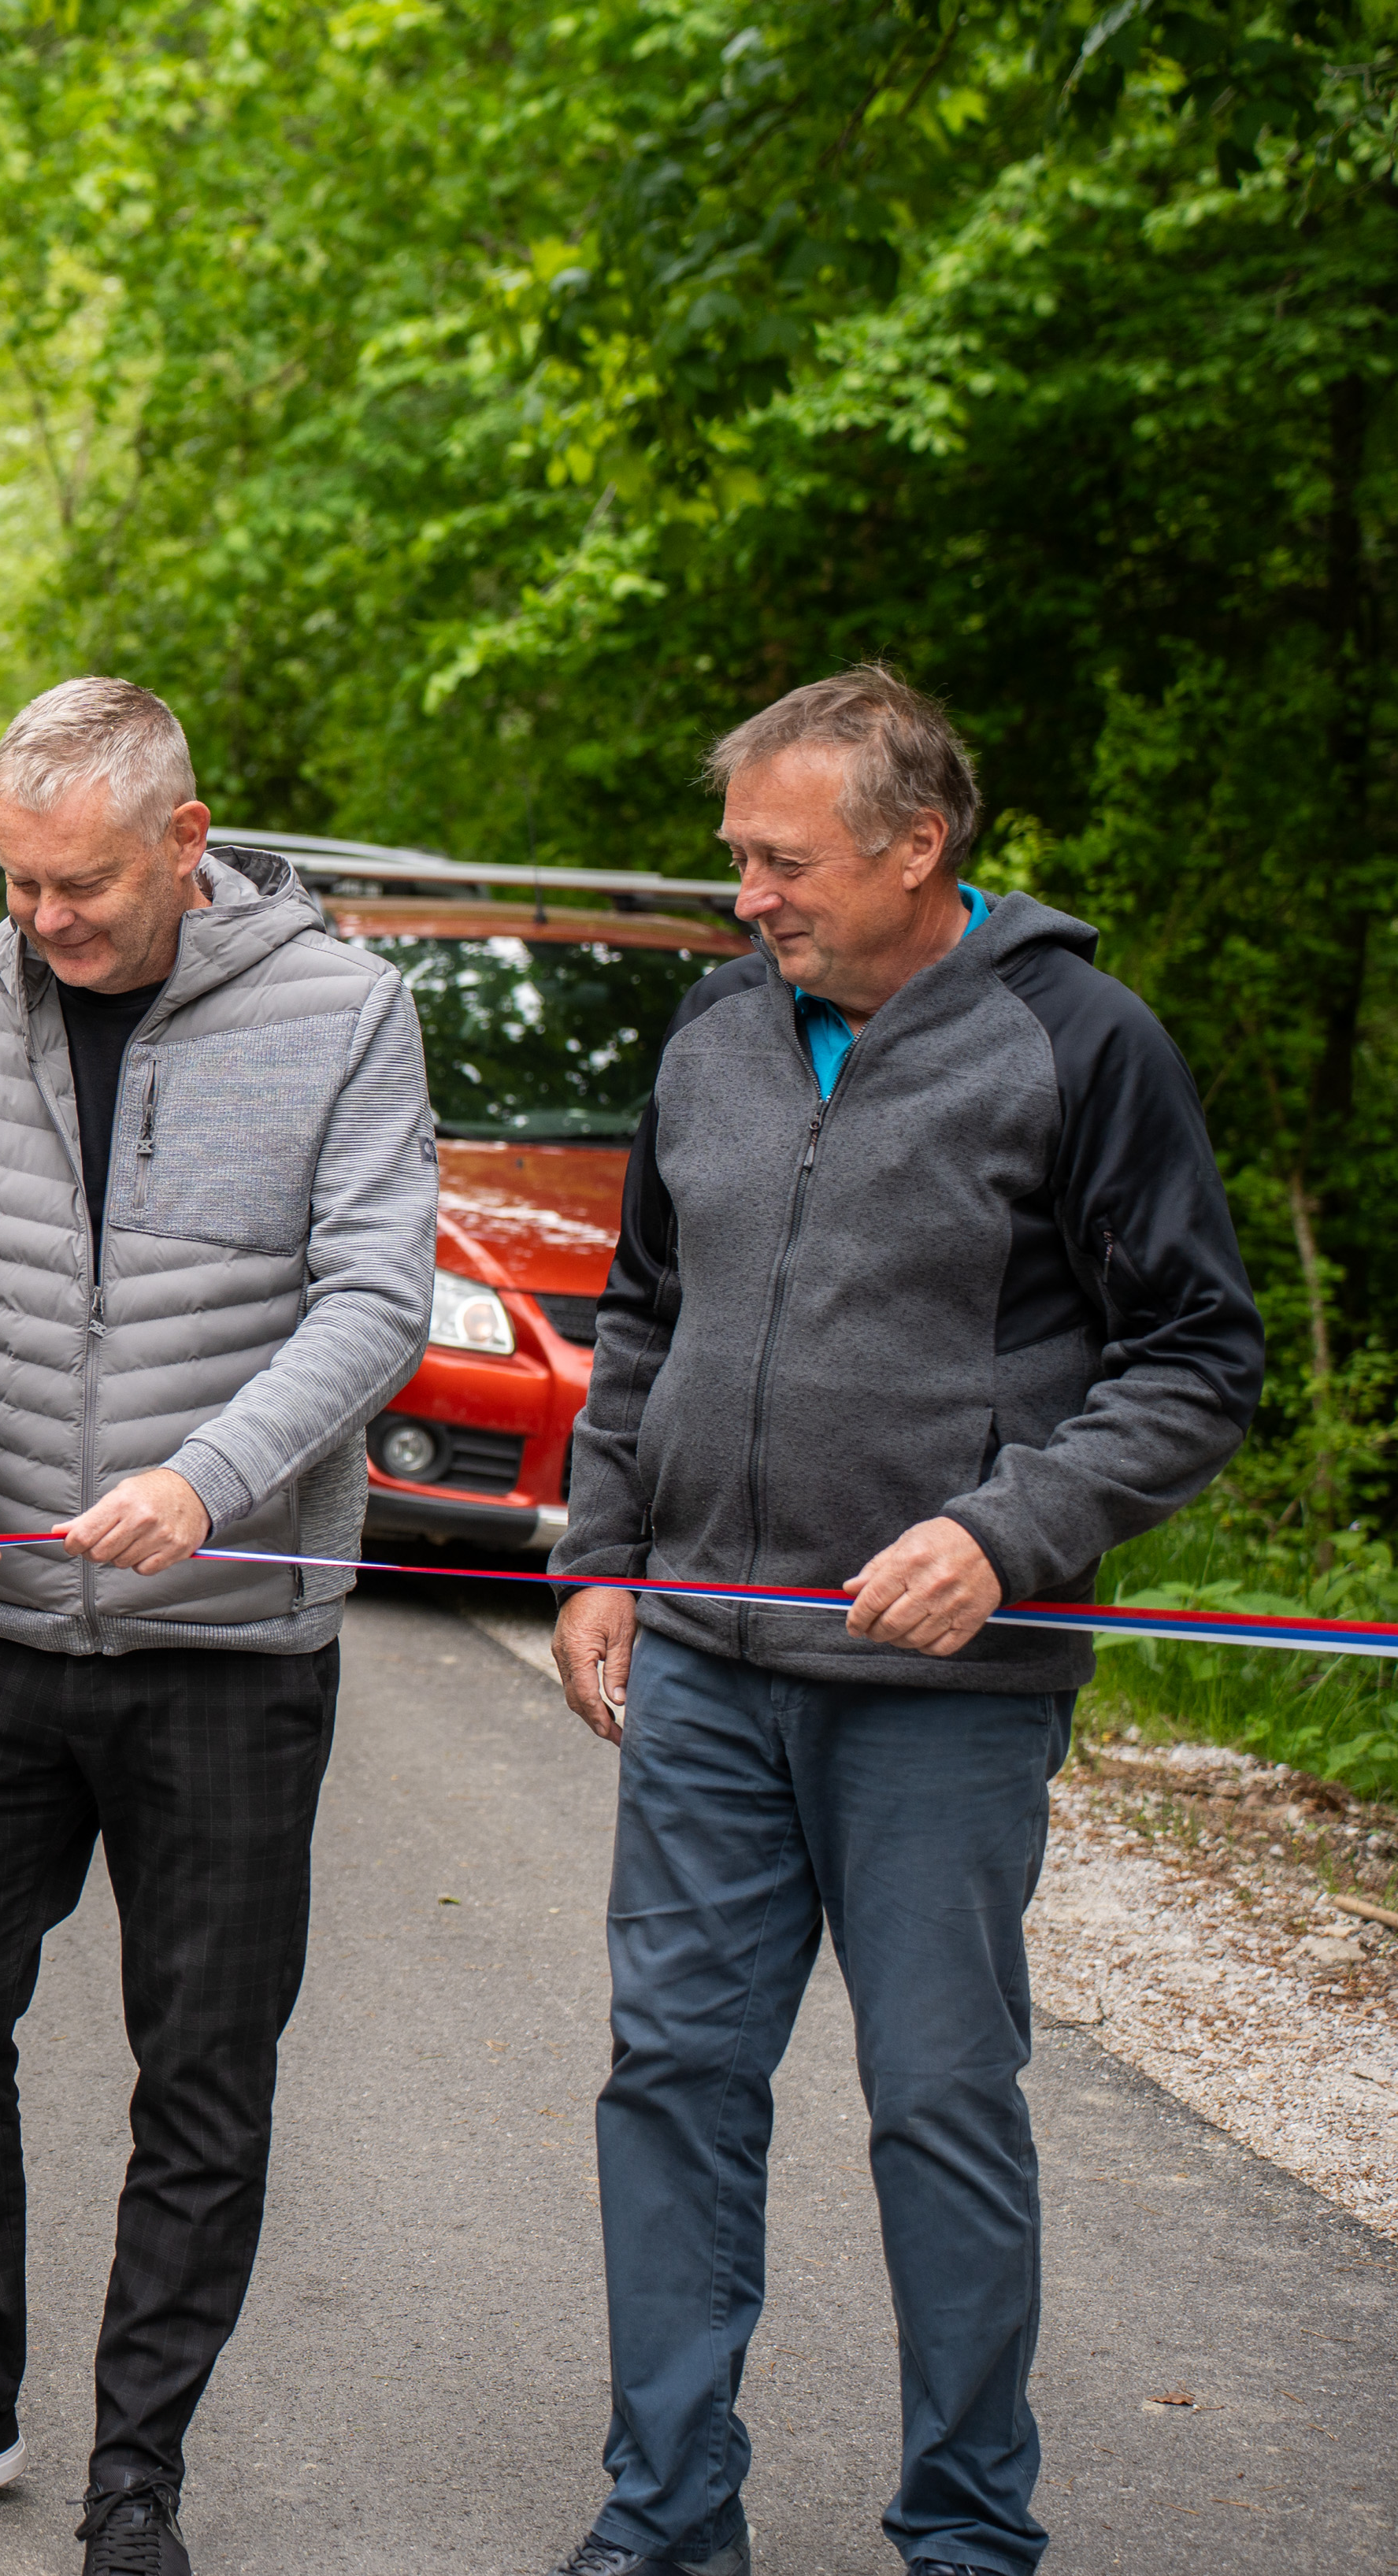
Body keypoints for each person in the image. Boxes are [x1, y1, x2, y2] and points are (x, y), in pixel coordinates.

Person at [536, 669, 1260, 2576]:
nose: (743, 898)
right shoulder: (708, 1032)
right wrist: (597, 1552)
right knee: (670, 2085)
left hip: (941, 1689)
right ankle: (665, 2515)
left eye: (777, 862)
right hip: (702, 1664)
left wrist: (1006, 1533)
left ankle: (963, 2529)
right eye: (732, 861)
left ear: (913, 845)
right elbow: (638, 1318)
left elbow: (1196, 1357)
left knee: (938, 2098)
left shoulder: (1077, 1042)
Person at [0, 677, 435, 2575]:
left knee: (202, 2063)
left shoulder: (343, 1012)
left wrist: (207, 1478)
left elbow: (372, 1298)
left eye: (77, 884)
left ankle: (138, 2466)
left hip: (229, 1645)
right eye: (13, 884)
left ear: (184, 839)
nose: (43, 923)